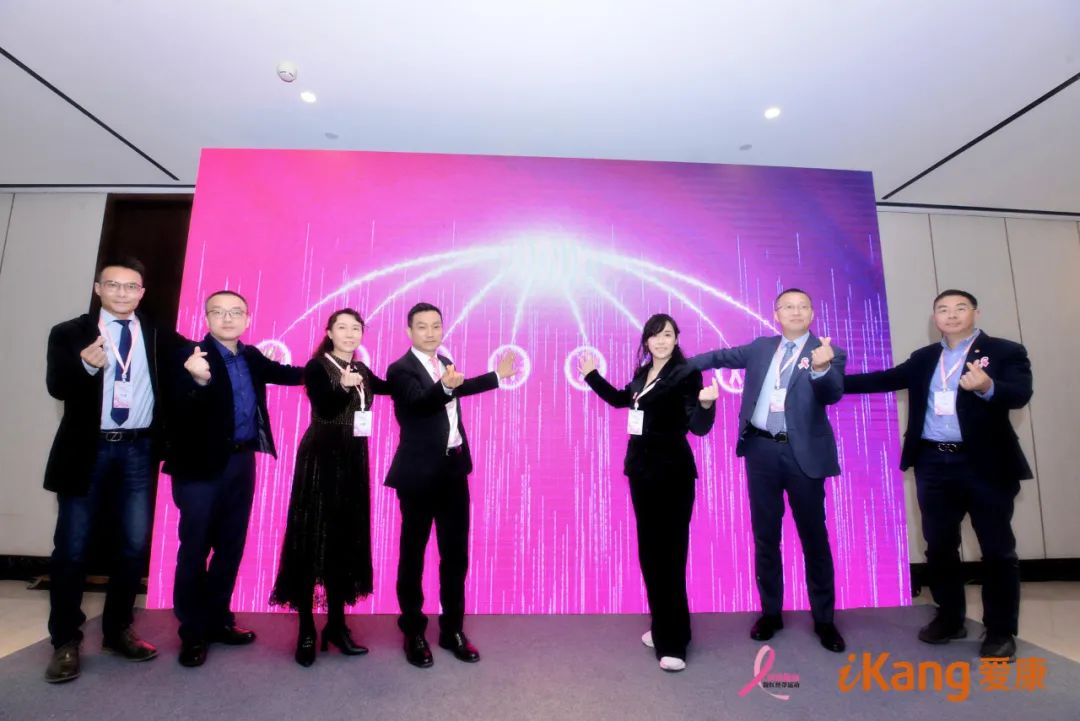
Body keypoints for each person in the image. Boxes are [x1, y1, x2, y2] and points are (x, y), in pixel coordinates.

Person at [844, 289, 1033, 661]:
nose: (951, 314)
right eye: (943, 309)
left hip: (986, 464)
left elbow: (1020, 394)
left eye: (960, 308)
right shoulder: (925, 357)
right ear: (935, 318)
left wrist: (988, 386)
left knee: (996, 549)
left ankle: (1000, 631)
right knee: (939, 545)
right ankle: (950, 618)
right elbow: (883, 379)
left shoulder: (1005, 351)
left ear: (975, 313)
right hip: (933, 463)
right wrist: (826, 378)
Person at [42, 257, 184, 683]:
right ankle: (65, 641)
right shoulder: (69, 332)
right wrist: (86, 365)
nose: (123, 293)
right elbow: (57, 387)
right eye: (114, 285)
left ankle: (117, 630)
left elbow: (195, 356)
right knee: (72, 550)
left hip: (138, 451)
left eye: (131, 286)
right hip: (87, 450)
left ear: (142, 293)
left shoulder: (157, 333)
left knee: (133, 546)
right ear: (98, 288)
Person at [688, 288, 847, 653]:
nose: (796, 312)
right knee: (765, 536)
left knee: (814, 538)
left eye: (803, 307)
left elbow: (832, 394)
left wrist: (821, 368)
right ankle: (771, 613)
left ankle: (824, 620)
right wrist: (678, 366)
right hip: (760, 450)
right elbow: (719, 356)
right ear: (776, 314)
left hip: (803, 455)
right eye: (788, 307)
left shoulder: (829, 352)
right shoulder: (761, 347)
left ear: (812, 314)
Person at [164, 289, 304, 668]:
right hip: (198, 467)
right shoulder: (188, 356)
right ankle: (193, 631)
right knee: (194, 549)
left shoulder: (252, 356)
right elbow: (175, 409)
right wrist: (197, 381)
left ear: (247, 319)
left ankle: (218, 620)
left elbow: (289, 375)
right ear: (206, 318)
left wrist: (331, 366)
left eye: (235, 312)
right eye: (219, 312)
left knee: (230, 547)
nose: (227, 318)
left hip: (241, 463)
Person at [577, 313, 717, 672]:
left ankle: (674, 642)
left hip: (673, 475)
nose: (661, 340)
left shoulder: (686, 374)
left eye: (667, 334)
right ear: (646, 341)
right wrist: (591, 375)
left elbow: (698, 427)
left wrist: (706, 404)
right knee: (651, 555)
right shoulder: (643, 373)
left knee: (670, 557)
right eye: (655, 335)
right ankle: (663, 625)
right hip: (641, 474)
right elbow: (620, 399)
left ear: (676, 339)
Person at [384, 302, 515, 667]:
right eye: (422, 326)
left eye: (436, 326)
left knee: (455, 556)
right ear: (409, 331)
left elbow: (459, 388)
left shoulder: (444, 362)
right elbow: (419, 403)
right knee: (413, 555)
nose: (430, 332)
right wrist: (444, 387)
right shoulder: (400, 369)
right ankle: (413, 632)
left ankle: (452, 630)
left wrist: (496, 376)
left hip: (454, 472)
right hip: (418, 476)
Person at [269, 309, 390, 666]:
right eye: (343, 328)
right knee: (312, 540)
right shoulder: (317, 367)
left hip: (353, 460)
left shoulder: (362, 368)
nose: (350, 334)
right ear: (330, 333)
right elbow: (325, 406)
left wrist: (441, 384)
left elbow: (394, 388)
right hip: (321, 458)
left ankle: (337, 625)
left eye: (356, 328)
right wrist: (344, 386)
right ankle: (307, 629)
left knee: (344, 539)